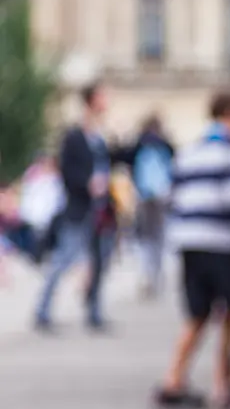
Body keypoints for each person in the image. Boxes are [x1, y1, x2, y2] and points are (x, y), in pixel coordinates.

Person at [155, 92, 230, 409]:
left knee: (198, 313)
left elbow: (170, 196)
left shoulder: (189, 150)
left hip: (188, 240)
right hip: (221, 240)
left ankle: (173, 380)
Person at [35, 82, 114, 331]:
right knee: (63, 259)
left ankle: (94, 312)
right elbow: (67, 170)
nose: (107, 102)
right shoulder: (75, 135)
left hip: (101, 209)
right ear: (91, 100)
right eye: (103, 97)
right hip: (79, 207)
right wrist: (87, 183)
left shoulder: (101, 134)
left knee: (100, 260)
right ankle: (42, 311)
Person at [118, 115, 174, 298]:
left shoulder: (140, 145)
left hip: (144, 196)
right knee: (156, 236)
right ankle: (154, 275)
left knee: (145, 237)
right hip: (159, 196)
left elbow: (123, 158)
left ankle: (149, 275)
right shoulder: (164, 145)